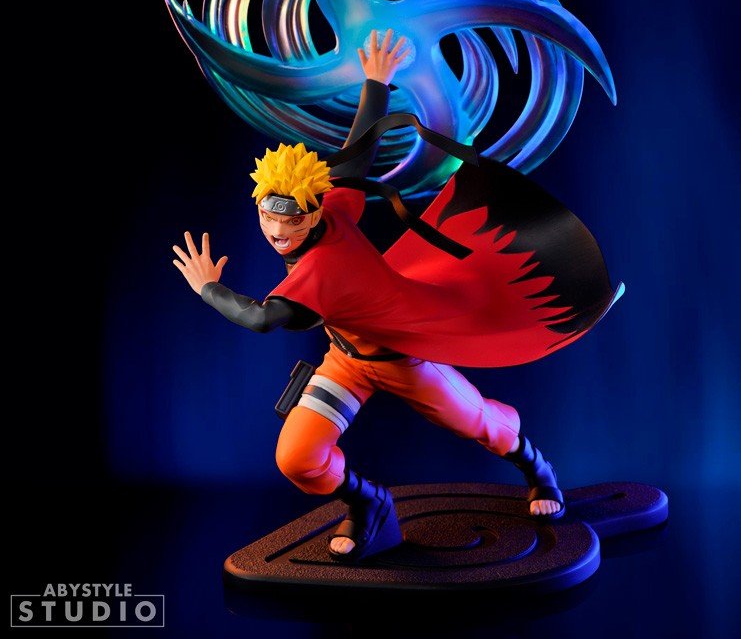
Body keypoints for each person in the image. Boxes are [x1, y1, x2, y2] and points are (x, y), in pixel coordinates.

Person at [173, 30, 573, 562]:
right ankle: (370, 503)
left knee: (480, 424)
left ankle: (539, 470)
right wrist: (376, 82)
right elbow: (358, 150)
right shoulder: (336, 204)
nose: (278, 231)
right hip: (347, 360)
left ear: (314, 210)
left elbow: (263, 318)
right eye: (268, 217)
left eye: (290, 220)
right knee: (298, 458)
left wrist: (208, 288)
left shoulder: (322, 267)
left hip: (402, 359)